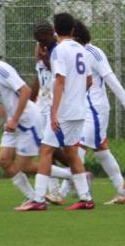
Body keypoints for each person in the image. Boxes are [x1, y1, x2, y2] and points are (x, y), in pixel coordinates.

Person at [0, 39, 71, 210]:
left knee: (26, 166)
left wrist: (14, 119)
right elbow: (3, 103)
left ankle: (72, 175)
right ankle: (32, 197)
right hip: (14, 124)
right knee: (4, 161)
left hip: (27, 121)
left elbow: (25, 91)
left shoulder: (1, 69)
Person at [19, 13, 95, 211]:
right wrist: (77, 96)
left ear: (55, 30)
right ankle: (85, 198)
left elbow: (59, 81)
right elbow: (89, 81)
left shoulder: (59, 51)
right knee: (71, 152)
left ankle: (38, 199)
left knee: (45, 151)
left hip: (64, 111)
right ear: (72, 30)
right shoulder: (82, 50)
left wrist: (54, 113)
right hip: (79, 110)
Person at [66, 20, 125, 205]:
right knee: (102, 152)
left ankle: (62, 192)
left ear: (75, 34)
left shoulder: (93, 52)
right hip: (83, 109)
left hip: (96, 110)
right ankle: (123, 192)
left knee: (77, 147)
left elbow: (110, 78)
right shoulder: (73, 53)